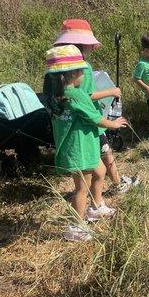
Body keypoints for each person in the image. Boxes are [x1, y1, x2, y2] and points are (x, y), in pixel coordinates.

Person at [43, 45, 128, 241]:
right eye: (82, 69)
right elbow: (96, 119)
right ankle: (76, 227)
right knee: (81, 189)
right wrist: (114, 124)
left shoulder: (57, 94)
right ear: (72, 74)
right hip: (79, 148)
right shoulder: (75, 95)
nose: (84, 73)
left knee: (100, 171)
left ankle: (96, 208)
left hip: (79, 145)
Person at [54, 19, 139, 194]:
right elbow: (87, 96)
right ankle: (116, 185)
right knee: (105, 152)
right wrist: (111, 92)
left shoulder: (61, 67)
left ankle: (114, 184)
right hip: (89, 120)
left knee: (104, 154)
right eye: (89, 45)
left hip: (81, 121)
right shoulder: (82, 67)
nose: (92, 48)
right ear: (81, 45)